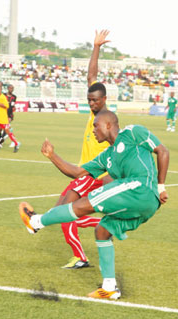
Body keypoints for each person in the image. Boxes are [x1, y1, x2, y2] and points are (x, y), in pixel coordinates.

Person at [19, 110, 169, 299]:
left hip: (141, 189)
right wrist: (52, 155)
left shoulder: (132, 132)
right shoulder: (106, 156)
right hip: (143, 205)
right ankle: (109, 288)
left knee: (85, 204)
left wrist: (161, 186)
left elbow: (163, 151)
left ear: (108, 124)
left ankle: (36, 222)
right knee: (102, 230)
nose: (93, 130)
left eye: (95, 125)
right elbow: (77, 172)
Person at [50, 30, 112, 270]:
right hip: (84, 173)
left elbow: (117, 151)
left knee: (66, 214)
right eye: (90, 100)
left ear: (104, 100)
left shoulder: (108, 122)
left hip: (89, 175)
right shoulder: (94, 112)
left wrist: (108, 178)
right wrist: (96, 47)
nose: (92, 103)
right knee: (58, 211)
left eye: (96, 100)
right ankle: (99, 224)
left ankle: (81, 256)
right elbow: (92, 77)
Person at [0, 85, 21, 153]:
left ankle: (16, 143)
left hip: (3, 120)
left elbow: (6, 106)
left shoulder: (3, 97)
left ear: (1, 90)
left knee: (8, 132)